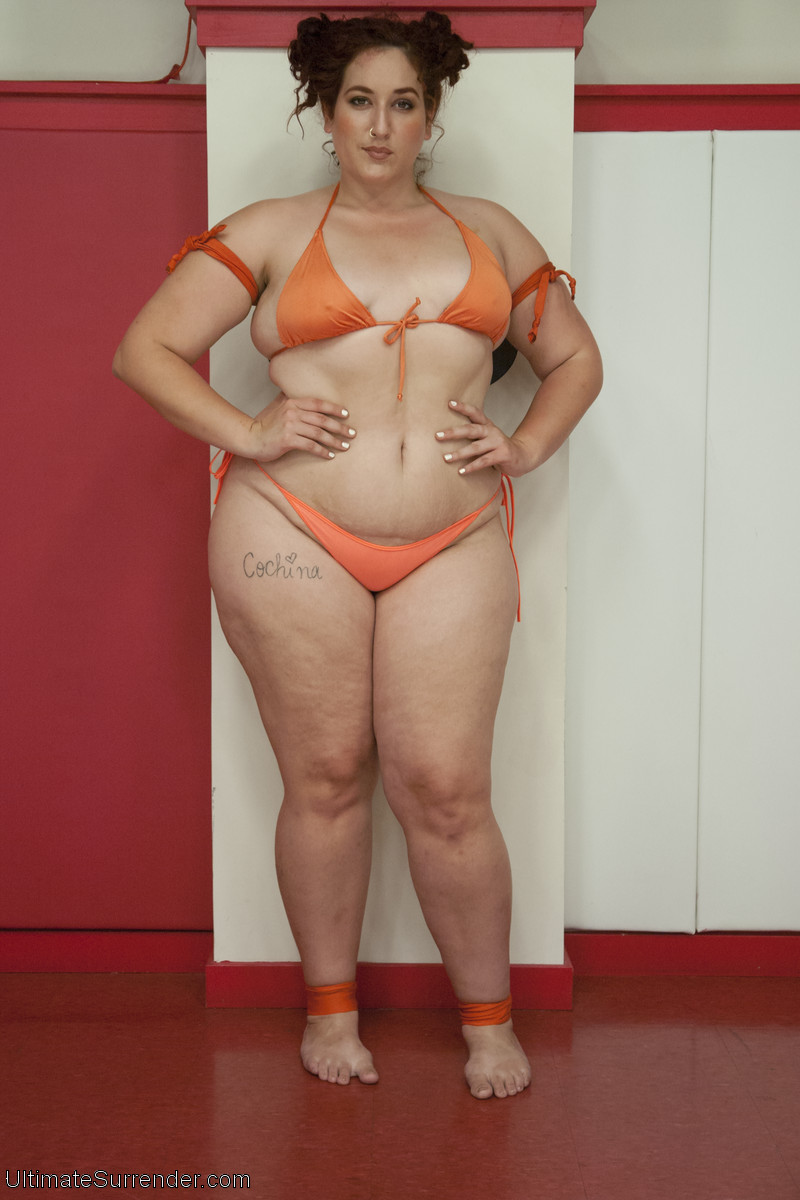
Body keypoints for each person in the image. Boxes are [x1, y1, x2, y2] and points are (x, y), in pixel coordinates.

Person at [113, 9, 602, 1100]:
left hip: (452, 537)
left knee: (446, 787)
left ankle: (487, 1023)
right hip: (289, 532)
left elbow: (574, 360)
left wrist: (523, 445)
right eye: (359, 102)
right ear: (326, 114)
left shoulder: (490, 232)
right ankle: (329, 1010)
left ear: (430, 116)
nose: (380, 126)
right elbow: (146, 348)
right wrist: (247, 433)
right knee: (327, 774)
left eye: (403, 103)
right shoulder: (273, 228)